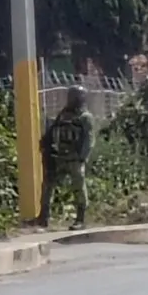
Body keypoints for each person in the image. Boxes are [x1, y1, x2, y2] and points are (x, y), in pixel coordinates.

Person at [38, 84, 94, 229]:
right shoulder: (63, 114)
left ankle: (80, 218)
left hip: (75, 158)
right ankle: (43, 217)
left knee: (78, 187)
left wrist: (82, 157)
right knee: (48, 185)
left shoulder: (85, 117)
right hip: (59, 156)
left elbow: (89, 139)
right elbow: (54, 130)